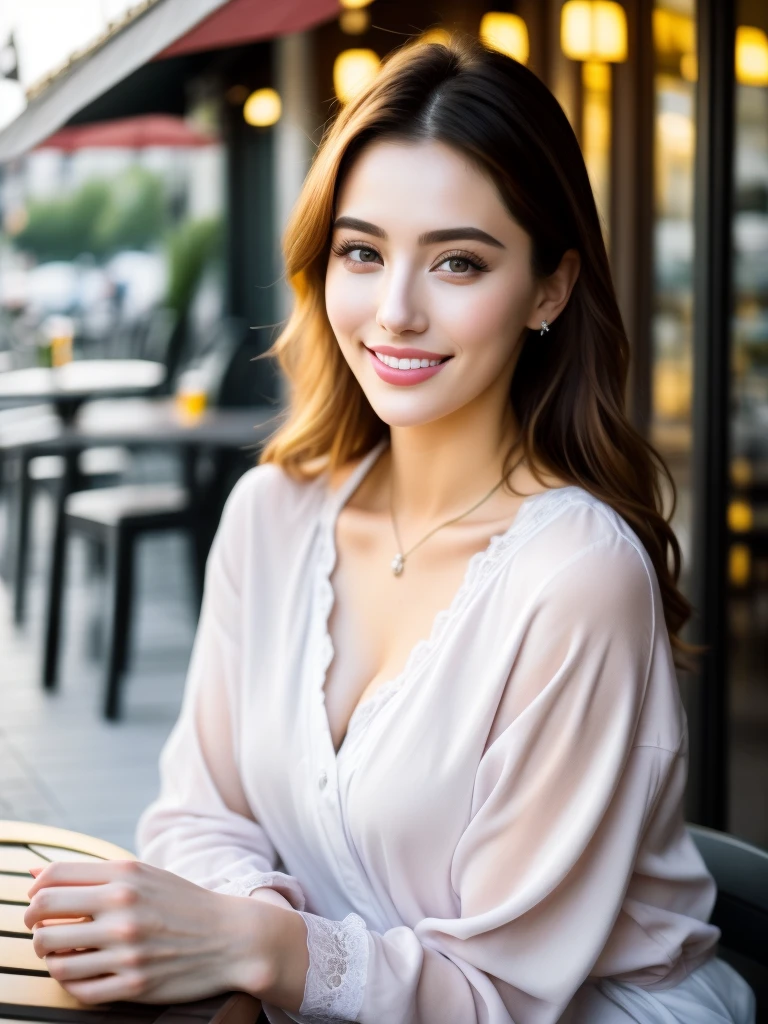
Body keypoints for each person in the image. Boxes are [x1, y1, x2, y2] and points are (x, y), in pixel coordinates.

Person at [23, 37, 756, 1024]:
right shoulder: (269, 517)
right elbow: (198, 814)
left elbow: (506, 989)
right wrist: (255, 938)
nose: (396, 311)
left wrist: (263, 946)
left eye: (458, 261)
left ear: (549, 288)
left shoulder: (577, 577)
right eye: (362, 252)